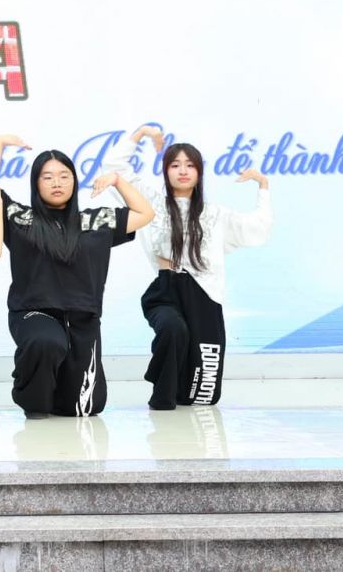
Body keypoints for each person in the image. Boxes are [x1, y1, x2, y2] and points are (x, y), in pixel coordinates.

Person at [0, 135, 155, 418]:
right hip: (34, 312)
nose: (56, 183)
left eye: (63, 176)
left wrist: (117, 181)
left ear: (74, 181)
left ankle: (54, 388)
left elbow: (145, 213)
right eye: (47, 177)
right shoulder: (21, 219)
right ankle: (33, 400)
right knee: (46, 341)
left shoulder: (94, 221)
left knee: (85, 408)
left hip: (82, 319)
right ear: (36, 184)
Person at [111, 125, 271, 410]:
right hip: (166, 290)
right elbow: (116, 170)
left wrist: (263, 186)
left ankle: (175, 389)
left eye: (190, 165)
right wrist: (141, 133)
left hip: (204, 294)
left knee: (202, 393)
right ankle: (161, 394)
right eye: (175, 165)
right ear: (165, 171)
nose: (182, 171)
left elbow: (257, 228)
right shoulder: (151, 203)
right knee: (172, 328)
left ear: (199, 172)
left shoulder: (215, 214)